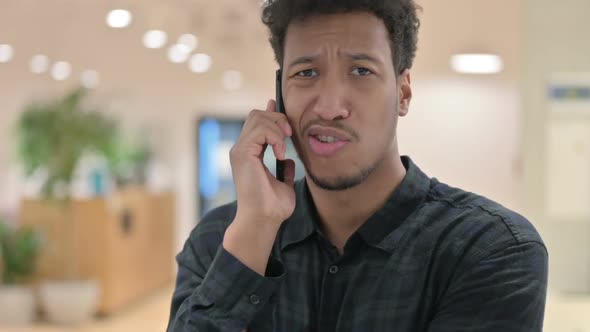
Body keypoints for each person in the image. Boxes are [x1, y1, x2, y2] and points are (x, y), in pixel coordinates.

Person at [167, 0, 548, 331]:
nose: (330, 107)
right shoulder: (220, 240)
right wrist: (254, 231)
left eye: (362, 71)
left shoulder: (488, 249)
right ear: (281, 93)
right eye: (306, 73)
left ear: (403, 93)